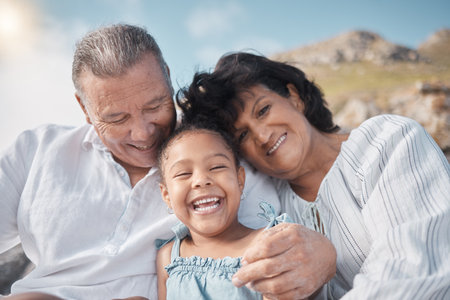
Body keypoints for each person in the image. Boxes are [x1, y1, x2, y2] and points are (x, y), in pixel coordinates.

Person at [0, 25, 335, 300]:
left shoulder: (224, 155)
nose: (143, 132)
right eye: (116, 118)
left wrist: (324, 254)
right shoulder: (37, 150)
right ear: (84, 109)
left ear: (167, 77)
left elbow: (307, 187)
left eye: (154, 106)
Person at [177, 51, 450, 299]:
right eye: (243, 135)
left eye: (263, 110)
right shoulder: (272, 209)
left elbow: (411, 272)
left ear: (294, 97)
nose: (261, 135)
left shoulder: (387, 141)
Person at [156, 121, 291, 300]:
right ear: (167, 196)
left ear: (240, 180)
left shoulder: (271, 243)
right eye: (183, 174)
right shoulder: (168, 258)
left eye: (217, 167)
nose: (201, 180)